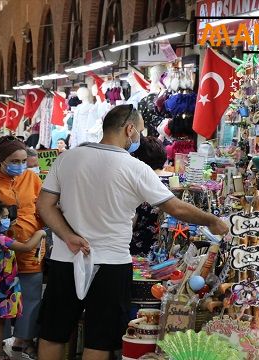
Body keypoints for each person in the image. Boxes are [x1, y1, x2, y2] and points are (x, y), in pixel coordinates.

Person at [36, 105, 229, 359]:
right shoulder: (135, 168)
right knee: (99, 341)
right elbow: (175, 207)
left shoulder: (68, 158)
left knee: (53, 334)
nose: (138, 137)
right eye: (139, 131)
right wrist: (212, 220)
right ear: (129, 130)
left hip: (64, 260)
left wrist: (68, 235)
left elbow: (44, 205)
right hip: (112, 264)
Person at [0, 136, 44, 359]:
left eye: (24, 160)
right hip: (0, 254)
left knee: (31, 296)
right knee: (0, 301)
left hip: (31, 247)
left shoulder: (32, 179)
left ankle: (23, 341)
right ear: (0, 160)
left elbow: (40, 208)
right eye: (15, 160)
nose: (21, 166)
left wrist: (43, 234)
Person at [130, 136, 174, 255]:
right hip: (169, 249)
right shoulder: (176, 180)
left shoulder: (140, 183)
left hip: (141, 249)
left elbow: (131, 222)